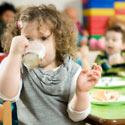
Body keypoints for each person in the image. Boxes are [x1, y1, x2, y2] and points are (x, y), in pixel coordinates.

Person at [0, 5, 101, 125]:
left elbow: (76, 116)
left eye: (43, 38)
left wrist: (81, 93)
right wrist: (14, 54)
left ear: (58, 41)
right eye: (28, 38)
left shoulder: (73, 71)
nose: (34, 44)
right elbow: (7, 94)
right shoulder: (16, 65)